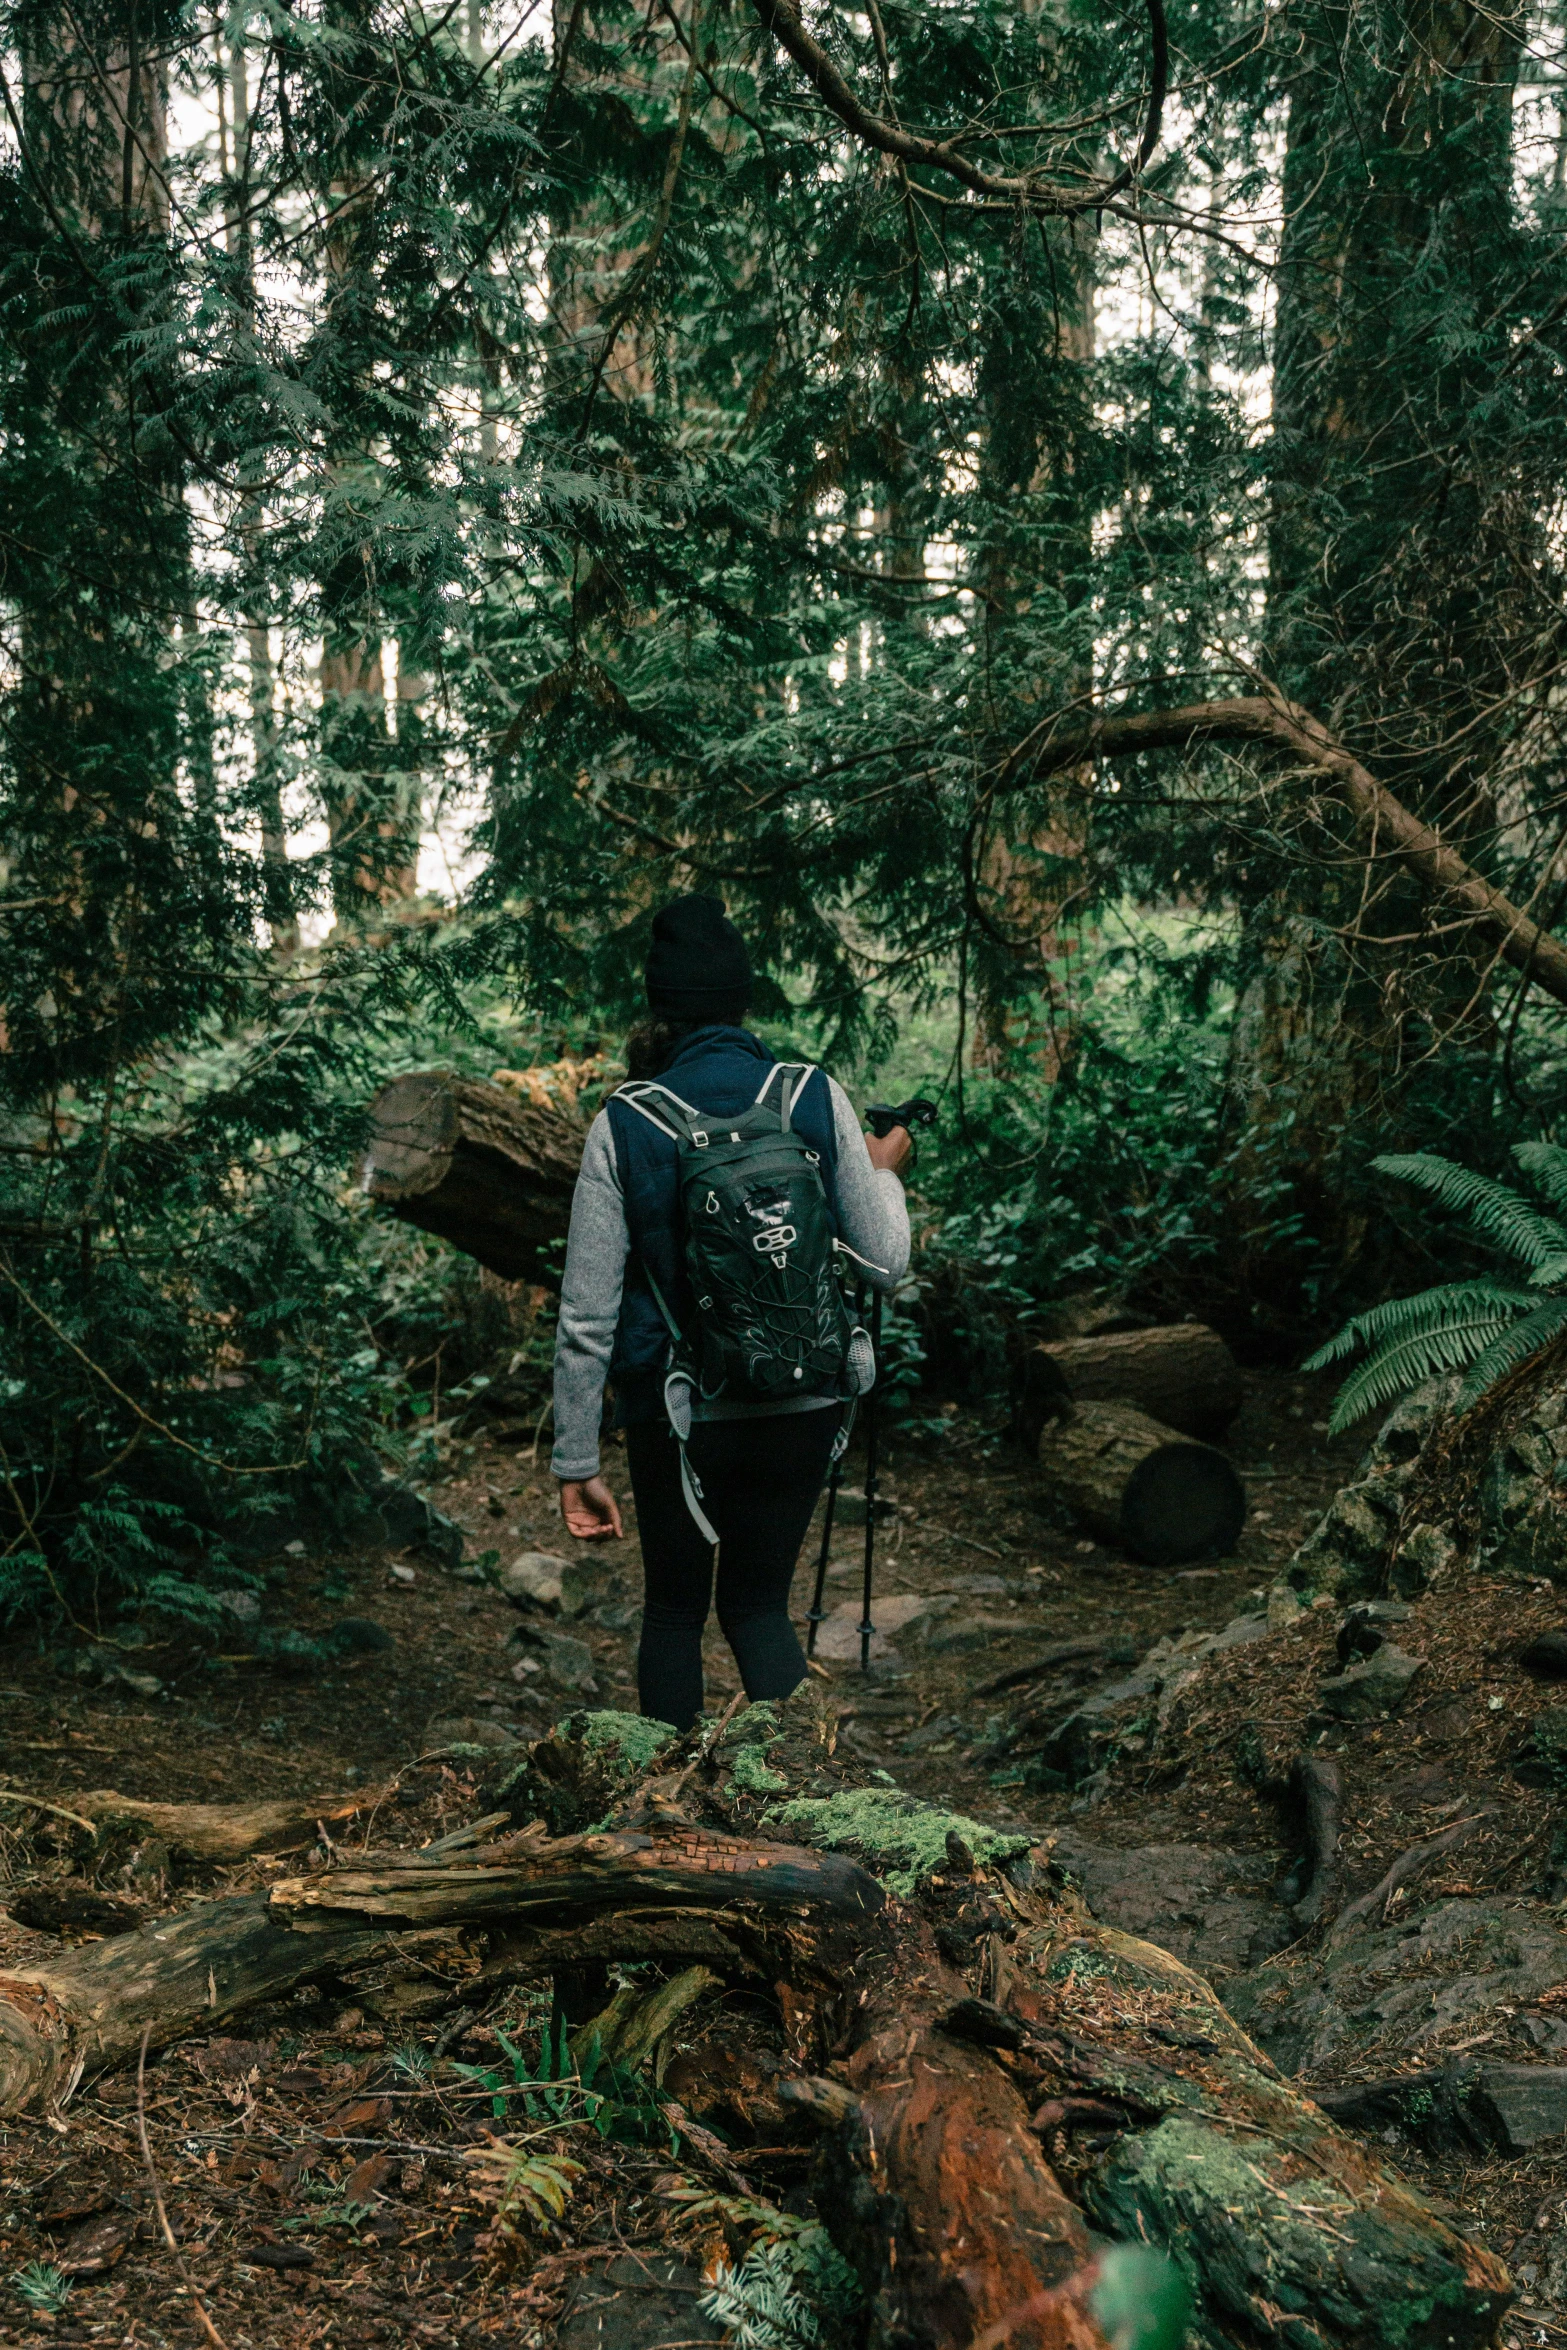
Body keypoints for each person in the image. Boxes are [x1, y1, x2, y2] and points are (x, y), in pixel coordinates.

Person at [551, 894, 912, 1729]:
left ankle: (671, 1831)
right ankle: (799, 1816)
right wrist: (881, 1169)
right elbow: (886, 1262)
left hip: (679, 1413)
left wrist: (576, 1461)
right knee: (757, 1609)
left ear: (659, 1007)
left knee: (675, 1613)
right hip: (803, 1396)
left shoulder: (625, 1120)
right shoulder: (812, 1095)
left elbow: (586, 1316)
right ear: (742, 999)